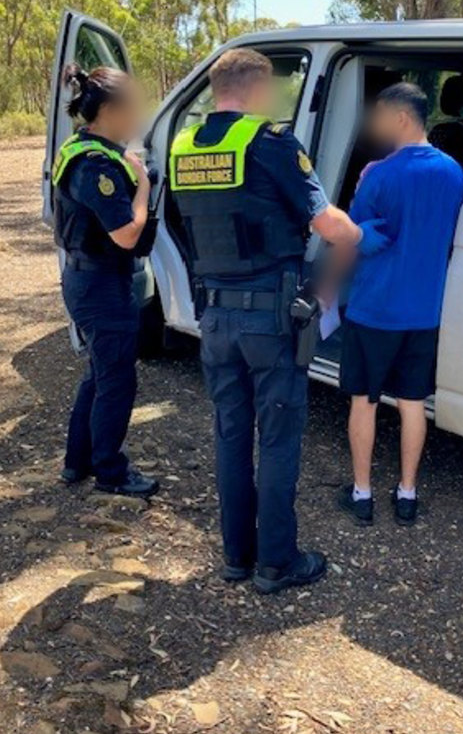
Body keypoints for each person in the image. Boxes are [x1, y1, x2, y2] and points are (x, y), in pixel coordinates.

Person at [169, 48, 387, 594]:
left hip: (214, 317)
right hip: (270, 320)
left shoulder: (181, 148)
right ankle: (277, 563)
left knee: (231, 437)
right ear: (259, 88)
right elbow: (330, 226)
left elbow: (183, 226)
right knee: (280, 441)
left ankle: (236, 558)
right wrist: (355, 234)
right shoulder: (269, 143)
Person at [332, 82, 463, 527]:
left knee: (364, 401)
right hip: (424, 311)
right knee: (412, 403)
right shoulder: (455, 173)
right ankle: (407, 494)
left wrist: (328, 286)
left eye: (381, 116)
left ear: (401, 118)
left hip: (374, 308)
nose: (377, 125)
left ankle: (362, 494)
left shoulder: (379, 174)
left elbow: (354, 239)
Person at [52, 63, 159, 498]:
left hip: (87, 278)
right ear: (111, 110)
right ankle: (110, 471)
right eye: (133, 107)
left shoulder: (80, 148)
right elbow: (127, 233)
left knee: (99, 373)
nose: (139, 115)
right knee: (116, 380)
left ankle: (77, 462)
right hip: (101, 285)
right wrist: (144, 188)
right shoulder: (96, 165)